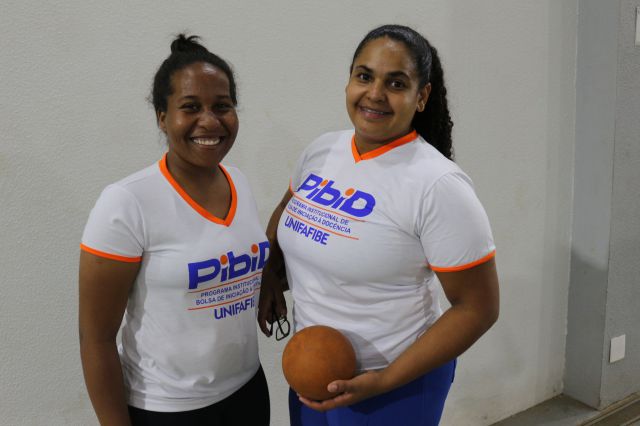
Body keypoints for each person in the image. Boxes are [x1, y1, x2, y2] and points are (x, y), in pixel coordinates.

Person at [258, 24, 499, 426]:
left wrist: (384, 380)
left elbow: (479, 308)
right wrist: (269, 270)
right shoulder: (322, 150)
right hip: (312, 373)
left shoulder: (438, 185)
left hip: (394, 387)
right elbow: (286, 211)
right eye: (364, 76)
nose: (375, 93)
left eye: (396, 83)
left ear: (422, 96)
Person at [79, 34, 270, 426]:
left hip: (248, 391)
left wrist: (266, 284)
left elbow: (239, 258)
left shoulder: (239, 181)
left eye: (222, 106)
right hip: (167, 408)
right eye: (190, 107)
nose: (210, 121)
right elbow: (95, 339)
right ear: (162, 117)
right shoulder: (126, 202)